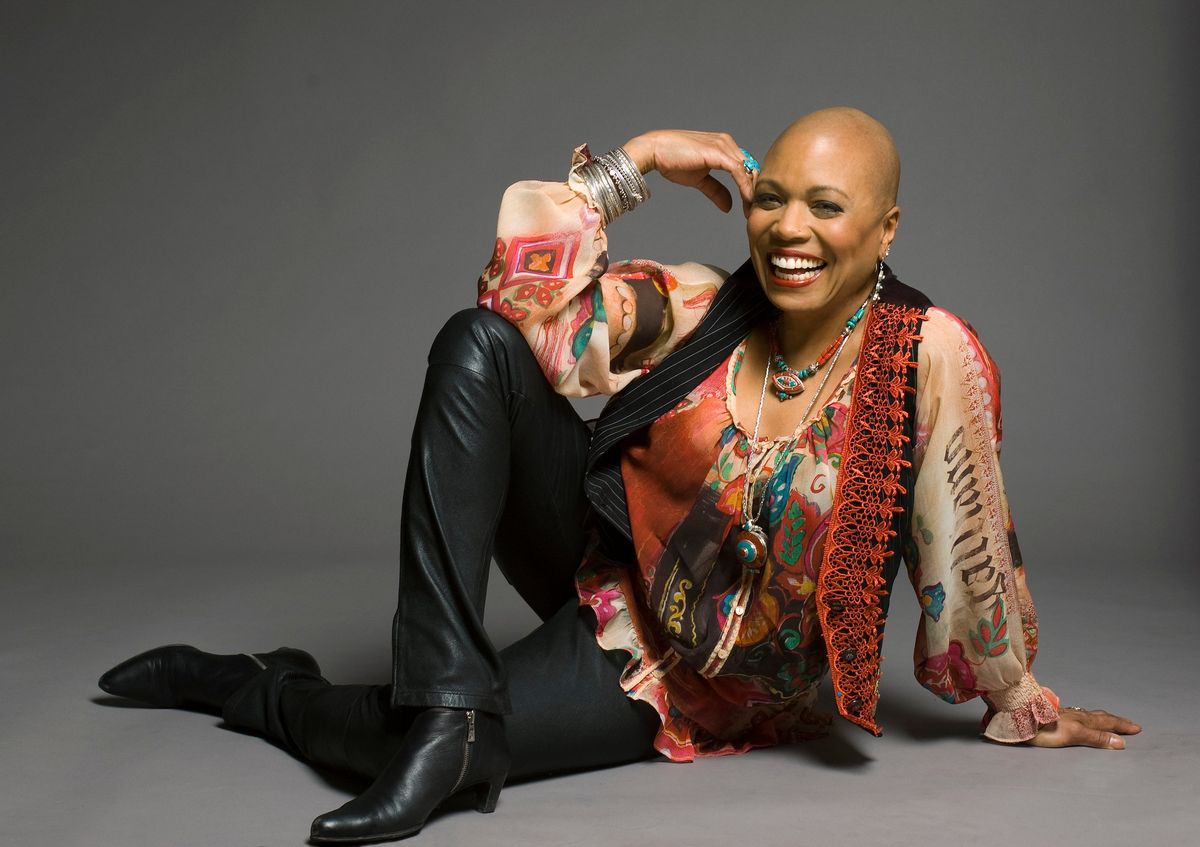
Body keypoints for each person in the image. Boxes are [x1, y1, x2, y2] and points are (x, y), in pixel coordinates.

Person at [97, 107, 1142, 844]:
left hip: (692, 677)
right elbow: (522, 319)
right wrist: (629, 164)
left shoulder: (927, 356)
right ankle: (449, 706)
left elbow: (967, 528)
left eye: (826, 207)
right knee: (474, 345)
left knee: (391, 741)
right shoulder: (703, 309)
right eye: (771, 199)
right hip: (606, 565)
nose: (788, 229)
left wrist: (1018, 694)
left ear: (886, 229)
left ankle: (255, 684)